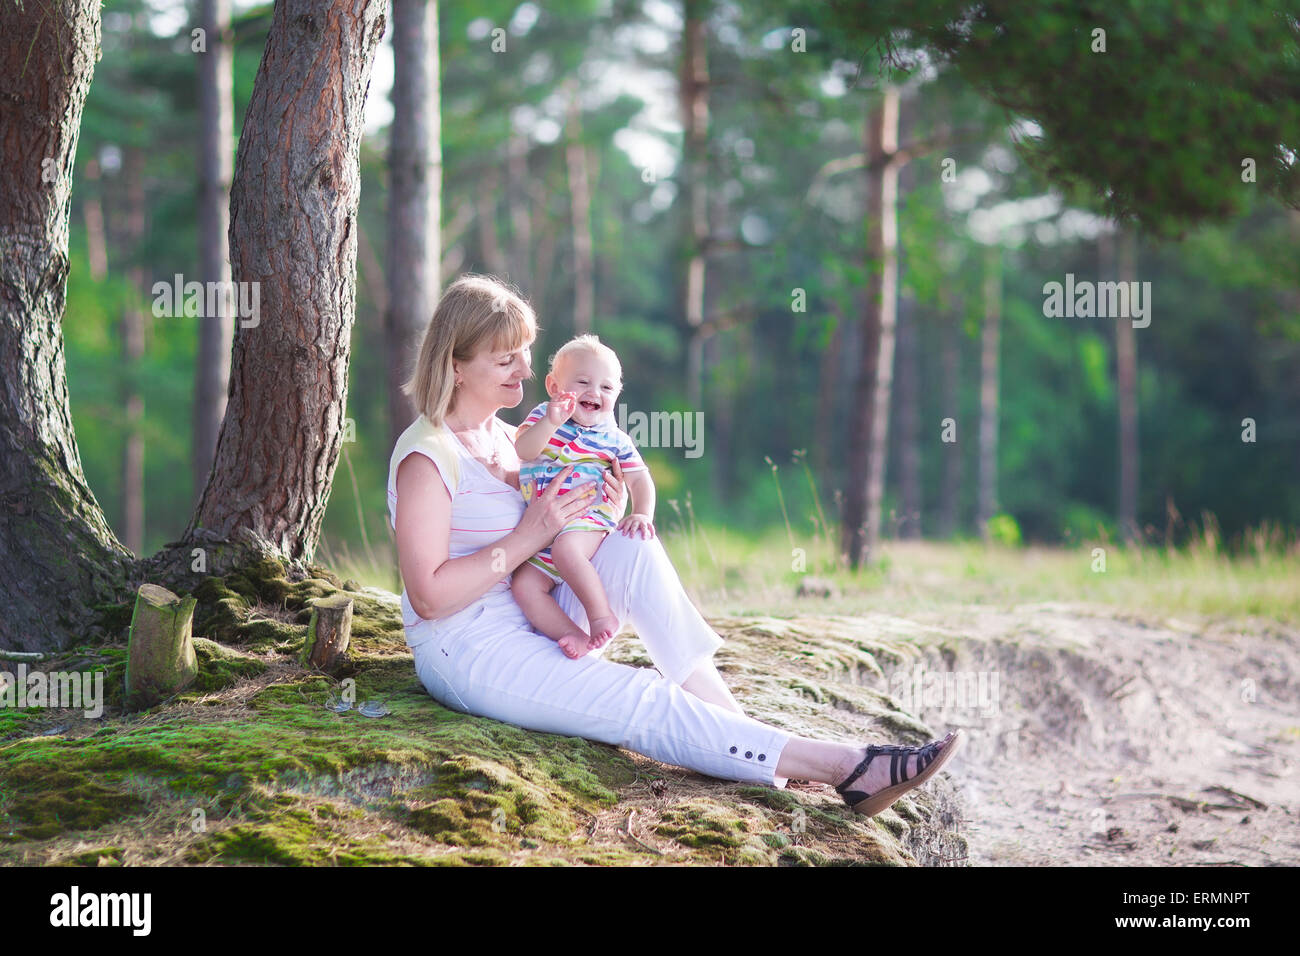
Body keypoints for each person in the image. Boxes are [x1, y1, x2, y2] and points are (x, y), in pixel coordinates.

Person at [388, 273, 962, 815]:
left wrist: (613, 507)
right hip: (468, 649)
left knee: (636, 549)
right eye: (505, 357)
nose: (525, 369)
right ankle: (848, 767)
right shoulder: (427, 455)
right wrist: (524, 538)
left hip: (532, 609)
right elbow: (431, 597)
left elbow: (566, 525)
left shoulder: (516, 439)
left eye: (525, 353)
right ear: (456, 365)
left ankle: (740, 730)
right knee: (639, 695)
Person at [512, 334, 655, 660]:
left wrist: (643, 512)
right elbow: (524, 450)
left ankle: (601, 615)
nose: (595, 393)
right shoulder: (542, 416)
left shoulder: (613, 439)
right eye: (583, 382)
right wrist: (550, 421)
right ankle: (573, 635)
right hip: (541, 533)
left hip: (586, 521)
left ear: (617, 394)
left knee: (567, 550)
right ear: (554, 386)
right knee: (524, 585)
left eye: (606, 388)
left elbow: (639, 477)